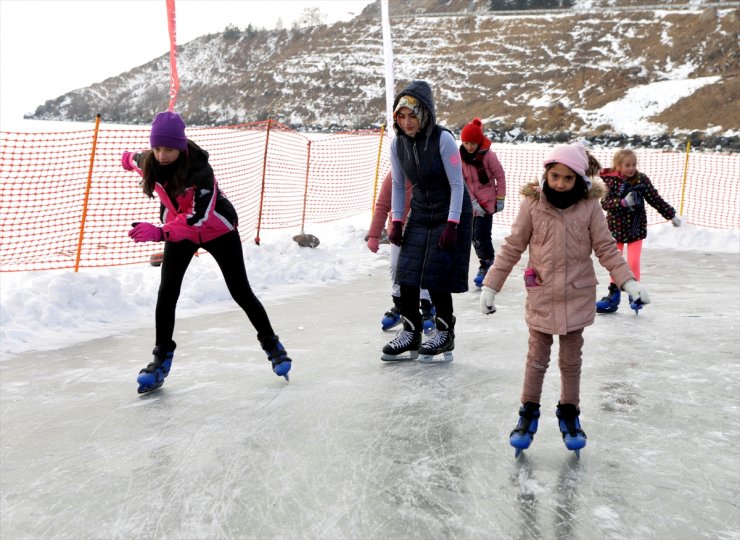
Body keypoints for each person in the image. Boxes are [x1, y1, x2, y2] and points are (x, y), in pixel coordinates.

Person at [479, 142, 650, 457]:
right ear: (546, 174)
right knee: (536, 359)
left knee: (571, 362)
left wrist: (627, 281)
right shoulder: (533, 205)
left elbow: (607, 248)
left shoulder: (588, 208)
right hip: (542, 295)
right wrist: (492, 285)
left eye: (567, 178)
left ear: (579, 180)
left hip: (576, 295)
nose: (560, 183)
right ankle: (527, 413)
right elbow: (513, 247)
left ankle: (569, 413)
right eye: (555, 176)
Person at [121, 111, 292, 393]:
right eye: (158, 148)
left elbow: (195, 219)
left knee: (240, 290)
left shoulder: (201, 173)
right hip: (179, 232)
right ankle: (160, 358)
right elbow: (135, 159)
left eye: (170, 149)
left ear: (182, 147)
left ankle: (273, 346)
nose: (162, 155)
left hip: (217, 230)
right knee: (167, 292)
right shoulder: (150, 160)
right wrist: (127, 159)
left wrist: (160, 232)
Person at [382, 80, 473, 363]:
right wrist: (396, 221)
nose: (407, 122)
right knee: (407, 273)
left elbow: (458, 184)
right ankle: (411, 333)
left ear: (425, 114)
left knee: (436, 276)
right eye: (401, 116)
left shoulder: (442, 139)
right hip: (420, 212)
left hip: (451, 211)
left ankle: (445, 334)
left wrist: (453, 224)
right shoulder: (398, 144)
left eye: (413, 115)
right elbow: (398, 184)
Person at [596, 148, 681, 313]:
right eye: (627, 165)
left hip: (636, 229)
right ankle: (613, 296)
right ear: (618, 165)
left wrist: (671, 215)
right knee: (616, 262)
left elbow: (655, 199)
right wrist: (622, 203)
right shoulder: (610, 182)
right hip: (615, 229)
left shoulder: (641, 180)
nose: (631, 168)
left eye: (634, 164)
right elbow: (605, 203)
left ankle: (635, 294)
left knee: (633, 261)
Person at [367, 171, 436, 334]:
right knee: (395, 268)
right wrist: (374, 235)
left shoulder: (427, 171)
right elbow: (382, 205)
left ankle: (427, 307)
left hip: (424, 231)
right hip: (398, 232)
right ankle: (400, 306)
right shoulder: (394, 175)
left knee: (422, 271)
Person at [459, 118, 506, 288]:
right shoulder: (460, 157)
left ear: (479, 142)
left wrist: (500, 199)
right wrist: (471, 202)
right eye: (466, 143)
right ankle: (486, 262)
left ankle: (487, 264)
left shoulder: (488, 156)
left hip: (487, 203)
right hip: (471, 204)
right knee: (472, 236)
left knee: (481, 235)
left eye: (472, 143)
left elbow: (499, 176)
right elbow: (462, 181)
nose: (469, 147)